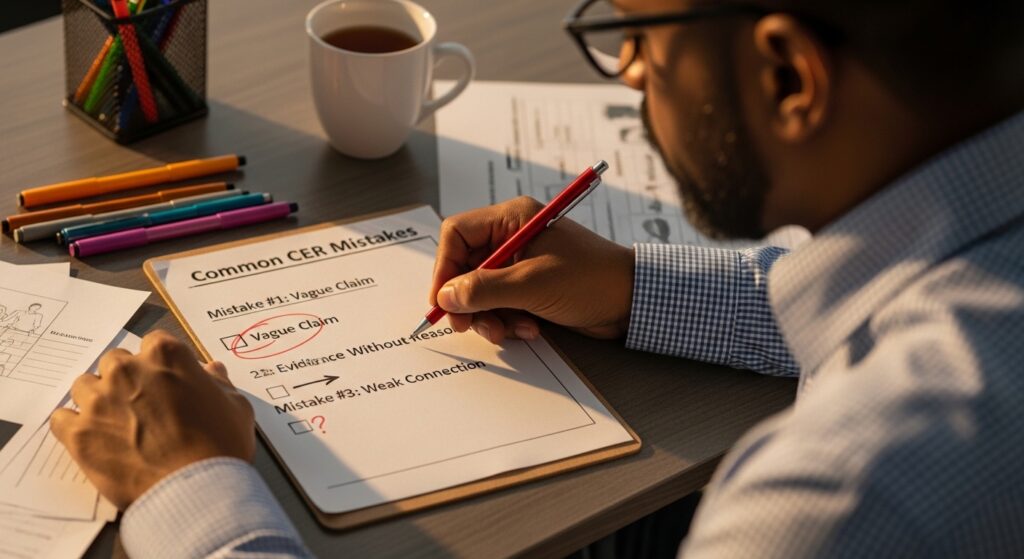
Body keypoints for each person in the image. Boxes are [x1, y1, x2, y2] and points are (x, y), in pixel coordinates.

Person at [51, 0, 1024, 556]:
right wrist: (635, 288)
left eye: (642, 35)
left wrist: (195, 493)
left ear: (788, 80)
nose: (632, 72)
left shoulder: (835, 505)